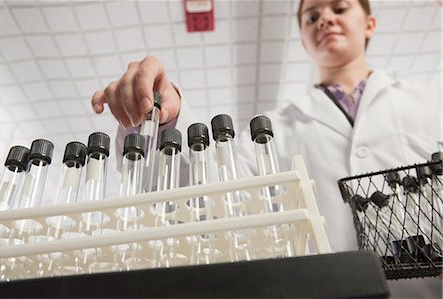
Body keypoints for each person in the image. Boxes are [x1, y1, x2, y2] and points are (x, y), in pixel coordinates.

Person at [91, 0, 442, 297]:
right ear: (304, 41)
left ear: (369, 24)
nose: (325, 19)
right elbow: (199, 198)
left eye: (338, 7)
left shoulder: (431, 99)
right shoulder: (274, 129)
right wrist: (159, 117)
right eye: (312, 17)